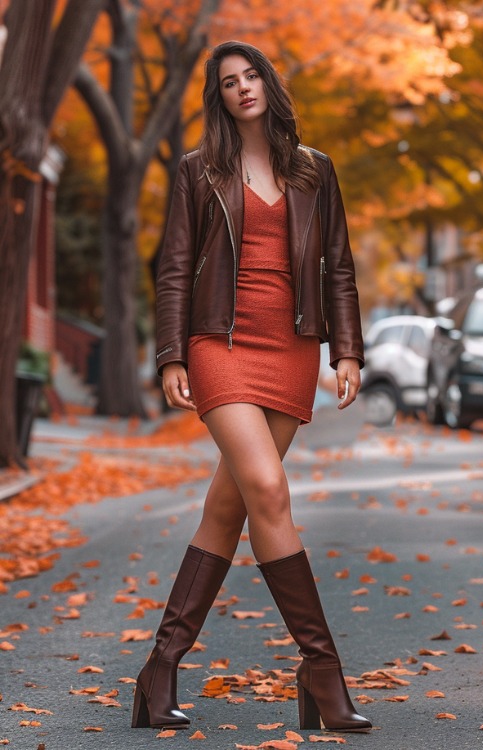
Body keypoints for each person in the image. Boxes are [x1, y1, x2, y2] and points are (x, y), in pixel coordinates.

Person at [132, 40, 371, 734]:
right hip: (220, 346)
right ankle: (322, 670)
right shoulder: (198, 171)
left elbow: (341, 269)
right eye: (229, 82)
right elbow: (175, 267)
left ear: (268, 83)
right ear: (220, 97)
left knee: (228, 506)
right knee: (267, 489)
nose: (242, 89)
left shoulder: (314, 171)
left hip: (292, 349)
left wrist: (347, 349)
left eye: (251, 76)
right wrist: (172, 356)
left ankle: (159, 670)